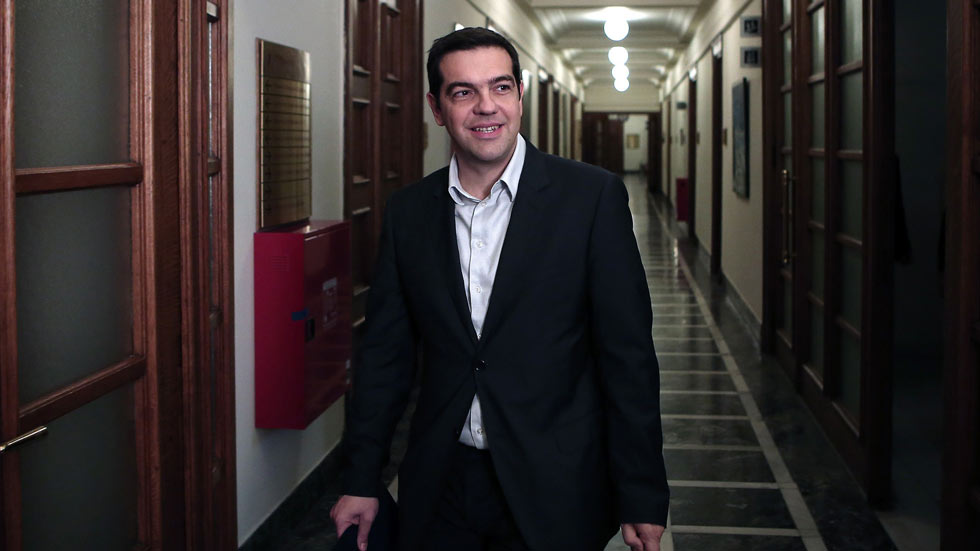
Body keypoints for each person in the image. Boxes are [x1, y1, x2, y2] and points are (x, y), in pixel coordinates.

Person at [331, 27, 668, 551]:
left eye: (501, 87)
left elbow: (628, 357)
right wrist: (361, 477)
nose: (486, 106)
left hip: (556, 482)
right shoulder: (409, 213)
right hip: (442, 482)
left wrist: (642, 492)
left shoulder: (590, 198)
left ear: (520, 96)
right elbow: (384, 357)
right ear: (437, 109)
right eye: (463, 92)